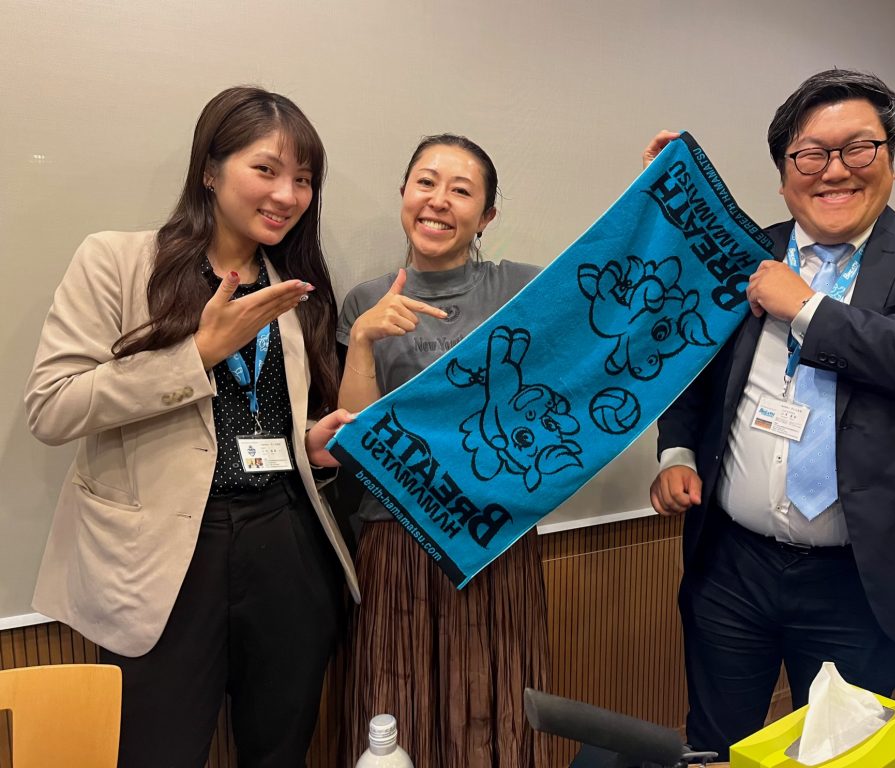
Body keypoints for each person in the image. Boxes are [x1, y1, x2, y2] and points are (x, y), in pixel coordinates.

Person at [645, 69, 895, 755]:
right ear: (784, 176)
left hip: (861, 579)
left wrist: (804, 307)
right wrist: (676, 452)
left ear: (889, 160)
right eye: (810, 155)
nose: (834, 170)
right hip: (732, 566)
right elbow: (688, 359)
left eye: (857, 148)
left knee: (844, 755)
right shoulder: (745, 255)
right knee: (717, 743)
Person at [25, 86, 360, 768]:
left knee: (281, 750)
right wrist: (198, 354)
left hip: (286, 539)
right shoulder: (118, 262)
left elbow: (253, 422)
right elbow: (52, 407)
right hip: (163, 559)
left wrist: (306, 446)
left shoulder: (295, 286)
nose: (287, 195)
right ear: (209, 169)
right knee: (157, 751)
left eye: (303, 179)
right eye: (266, 169)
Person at [337, 134, 551, 768]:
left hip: (492, 538)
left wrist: (655, 185)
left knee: (491, 708)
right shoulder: (364, 300)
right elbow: (353, 441)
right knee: (395, 708)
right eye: (426, 183)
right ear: (404, 194)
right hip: (395, 535)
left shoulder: (524, 289)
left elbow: (615, 305)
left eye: (461, 191)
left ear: (486, 216)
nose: (438, 201)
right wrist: (361, 341)